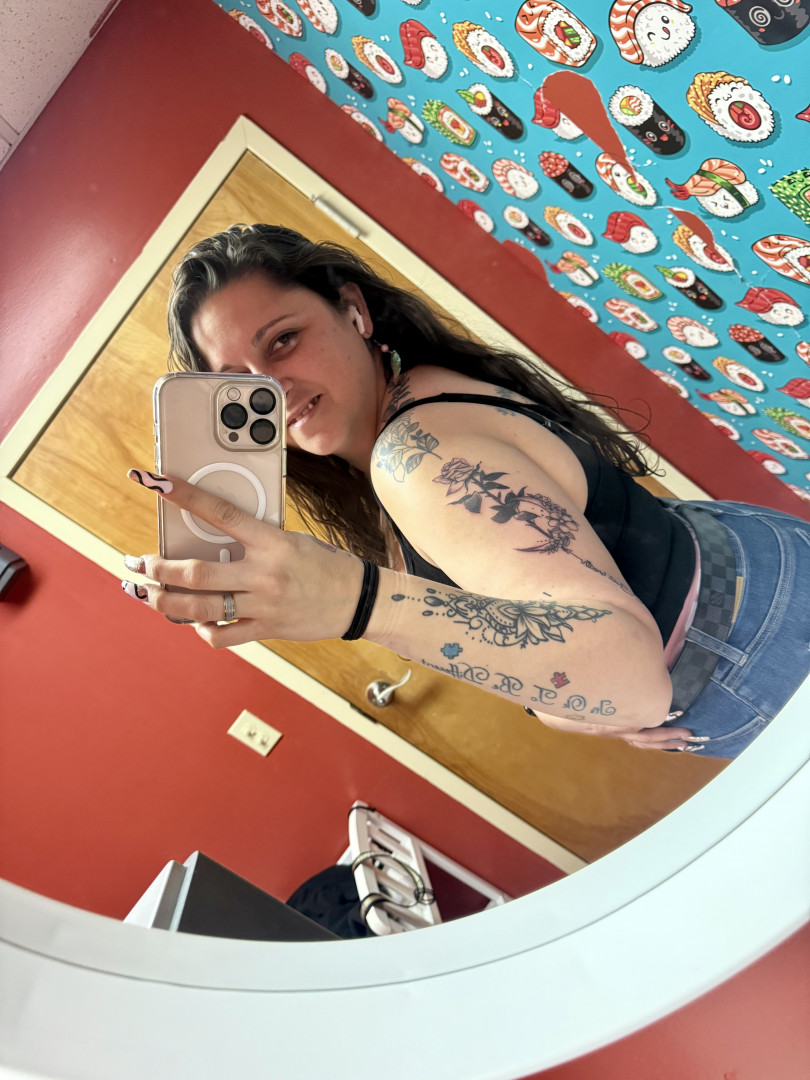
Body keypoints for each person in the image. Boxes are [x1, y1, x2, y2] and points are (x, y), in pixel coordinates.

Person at [122, 224, 810, 759]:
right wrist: (567, 698)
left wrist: (357, 601)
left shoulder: (414, 456)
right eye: (240, 381)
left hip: (747, 641)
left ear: (353, 311)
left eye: (283, 341)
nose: (272, 390)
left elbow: (632, 680)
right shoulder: (414, 395)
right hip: (744, 575)